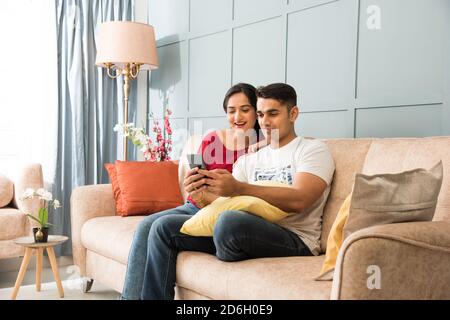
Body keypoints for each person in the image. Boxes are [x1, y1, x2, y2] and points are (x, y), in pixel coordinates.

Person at [140, 83, 335, 300]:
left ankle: (227, 244)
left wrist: (240, 188)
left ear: (293, 113)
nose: (265, 122)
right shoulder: (249, 160)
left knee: (229, 222)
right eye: (261, 114)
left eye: (273, 114)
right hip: (241, 232)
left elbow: (301, 199)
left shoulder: (312, 150)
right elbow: (226, 202)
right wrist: (202, 195)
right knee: (162, 227)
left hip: (295, 238)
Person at [120, 83, 261, 300]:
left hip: (220, 213)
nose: (237, 117)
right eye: (231, 111)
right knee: (145, 225)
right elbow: (197, 176)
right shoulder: (212, 139)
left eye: (245, 109)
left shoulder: (263, 146)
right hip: (195, 206)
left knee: (157, 228)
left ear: (256, 111)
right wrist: (193, 184)